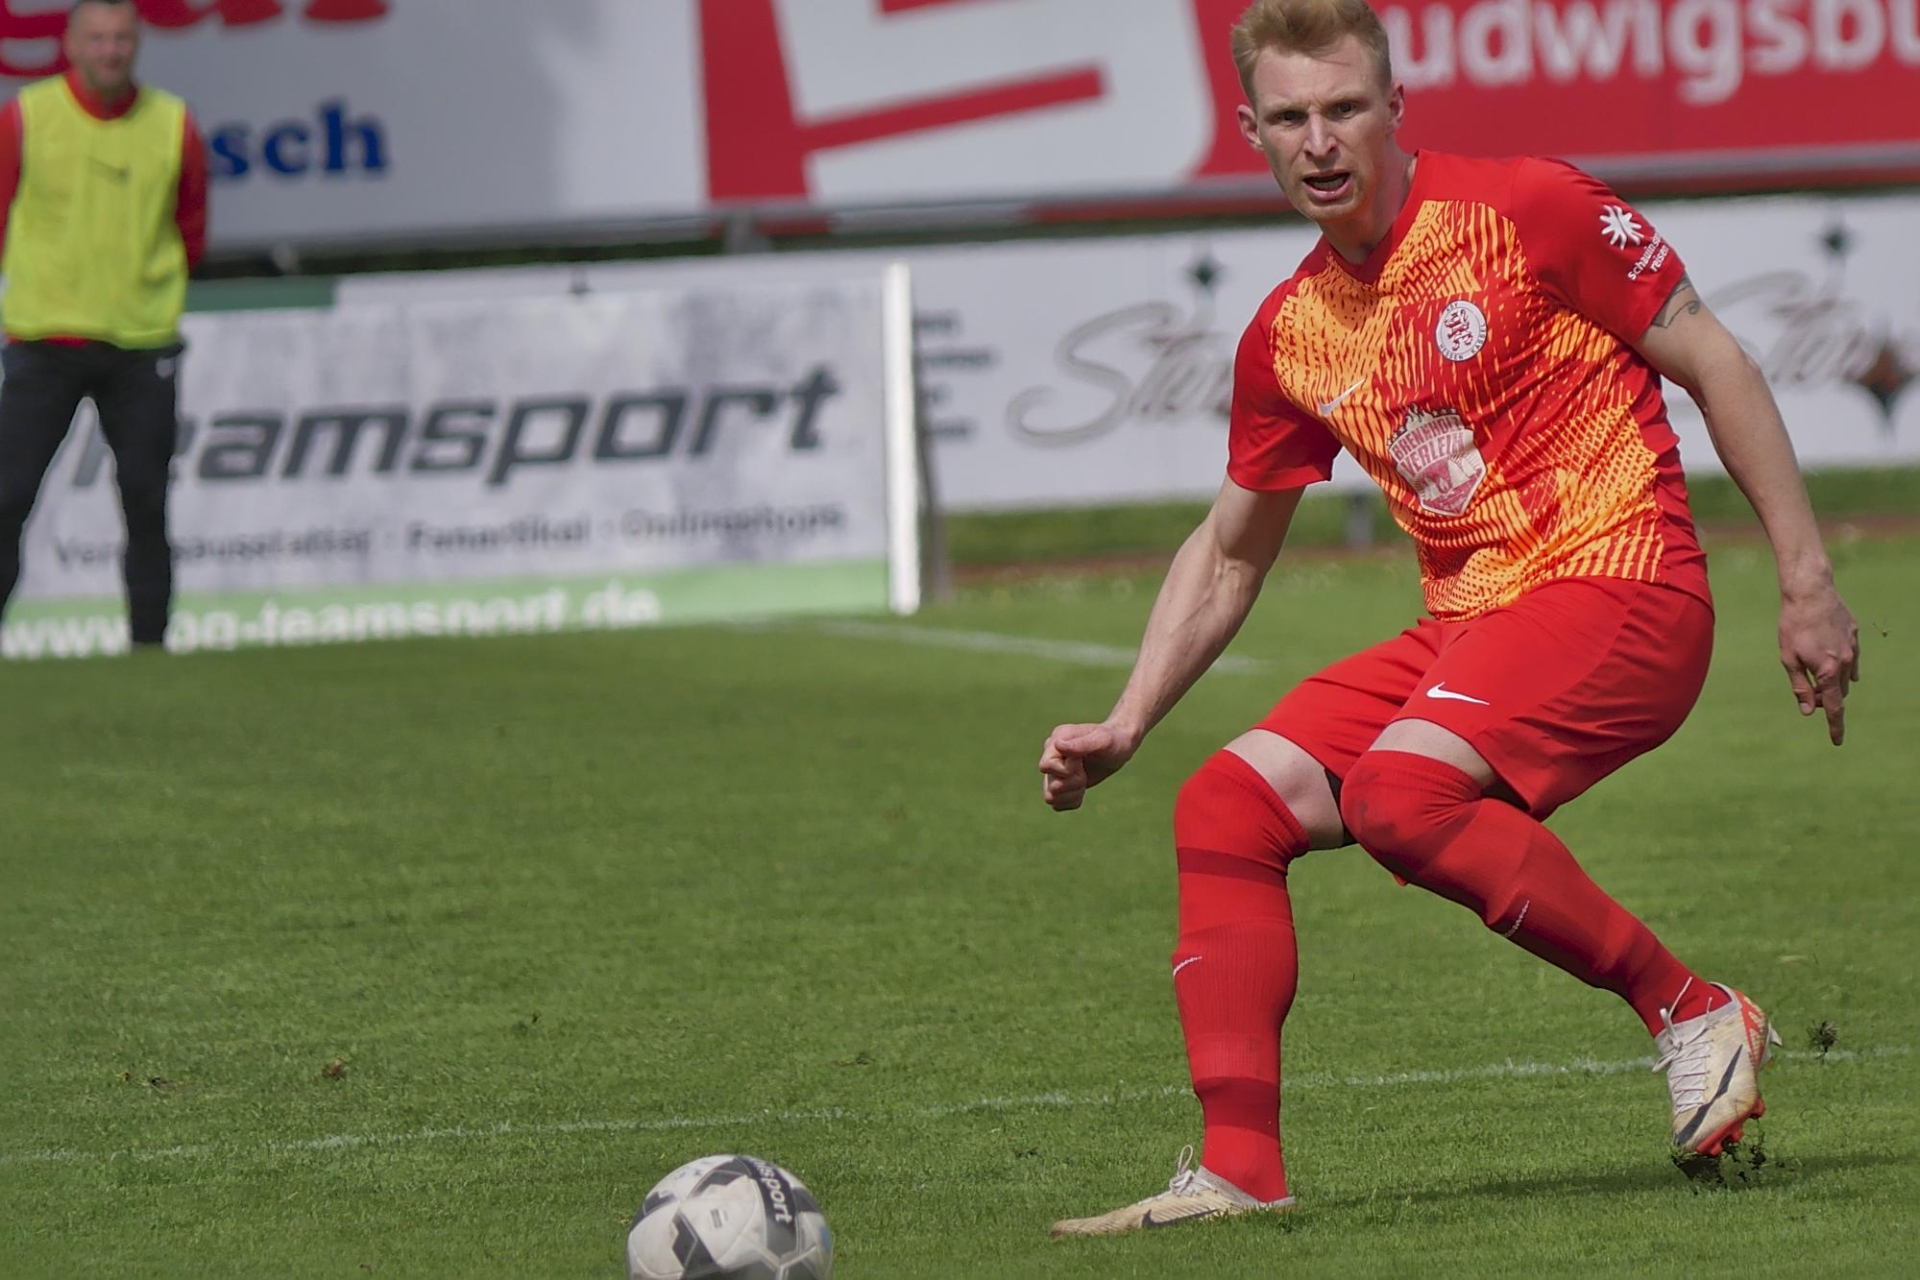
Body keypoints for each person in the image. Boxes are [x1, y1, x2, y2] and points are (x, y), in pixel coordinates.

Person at [1040, 0, 1860, 1237]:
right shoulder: (1288, 333)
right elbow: (1230, 549)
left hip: (1622, 583)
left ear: (1394, 107)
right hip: (1475, 623)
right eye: (1291, 118)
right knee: (1225, 804)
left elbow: (1718, 362)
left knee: (1398, 792)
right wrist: (1128, 718)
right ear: (1254, 134)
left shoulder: (1526, 206)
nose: (1322, 141)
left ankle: (1692, 1008)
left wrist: (1805, 579)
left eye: (1344, 108)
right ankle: (1238, 1173)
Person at [0, 0, 208, 650]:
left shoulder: (172, 122)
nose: (110, 51)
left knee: (146, 500)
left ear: (137, 43)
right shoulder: (27, 117)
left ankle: (149, 649)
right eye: (98, 39)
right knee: (7, 496)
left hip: (142, 344)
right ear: (71, 43)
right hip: (45, 339)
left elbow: (192, 227)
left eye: (121, 39)